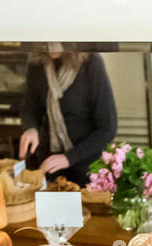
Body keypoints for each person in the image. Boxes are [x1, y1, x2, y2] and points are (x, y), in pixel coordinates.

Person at [19, 47, 117, 186]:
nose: (50, 46)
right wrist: (30, 128)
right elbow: (30, 107)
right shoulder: (37, 62)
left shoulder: (92, 62)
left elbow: (108, 128)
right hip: (50, 163)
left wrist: (68, 158)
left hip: (87, 166)